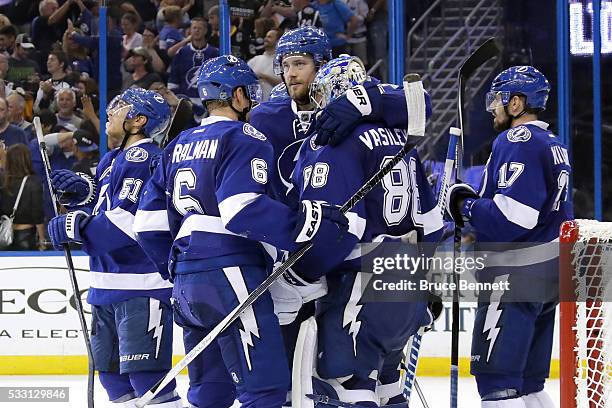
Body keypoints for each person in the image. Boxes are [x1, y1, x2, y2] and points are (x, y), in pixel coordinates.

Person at [133, 55, 348, 408]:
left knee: (210, 391)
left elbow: (146, 225)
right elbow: (241, 208)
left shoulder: (177, 145)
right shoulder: (244, 135)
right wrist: (307, 226)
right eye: (248, 93)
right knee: (263, 390)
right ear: (236, 96)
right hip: (231, 273)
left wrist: (175, 267)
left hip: (187, 280)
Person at [276, 54, 441, 408]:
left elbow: (335, 227)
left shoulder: (333, 141)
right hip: (409, 279)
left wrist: (302, 274)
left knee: (345, 389)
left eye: (323, 93)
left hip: (359, 285)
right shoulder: (401, 143)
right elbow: (432, 223)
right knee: (389, 388)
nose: (320, 103)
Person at [444, 66, 573, 408]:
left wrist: (465, 206)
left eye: (498, 100)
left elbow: (514, 216)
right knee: (528, 386)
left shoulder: (518, 140)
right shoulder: (553, 143)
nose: (492, 108)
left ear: (517, 103)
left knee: (497, 384)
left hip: (514, 273)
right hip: (546, 272)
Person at [46, 88, 183, 407]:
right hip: (105, 285)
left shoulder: (145, 156)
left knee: (148, 379)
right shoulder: (112, 158)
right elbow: (104, 205)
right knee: (113, 379)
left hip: (141, 286)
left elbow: (125, 222)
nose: (110, 111)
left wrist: (75, 227)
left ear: (138, 121)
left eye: (120, 108)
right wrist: (84, 191)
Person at [0, 143, 45, 250]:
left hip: (4, 234)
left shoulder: (3, 181)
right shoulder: (33, 182)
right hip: (26, 235)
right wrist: (42, 239)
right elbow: (37, 214)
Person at [167, 17, 219, 106]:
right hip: (184, 101)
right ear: (190, 30)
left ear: (205, 31)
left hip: (208, 101)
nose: (196, 31)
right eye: (194, 28)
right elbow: (174, 79)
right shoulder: (182, 52)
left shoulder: (215, 53)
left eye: (200, 28)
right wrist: (176, 100)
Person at [247, 29, 282, 101]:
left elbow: (284, 85)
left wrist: (264, 76)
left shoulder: (282, 62)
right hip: (255, 106)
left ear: (278, 41)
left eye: (269, 37)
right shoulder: (255, 60)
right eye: (266, 36)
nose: (266, 39)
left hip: (274, 105)